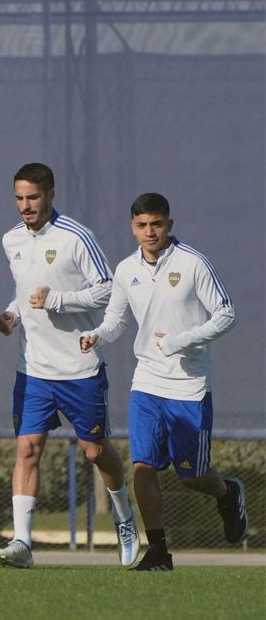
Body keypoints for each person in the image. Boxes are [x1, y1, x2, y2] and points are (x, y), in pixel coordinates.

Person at [80, 193, 246, 571]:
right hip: (148, 382)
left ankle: (227, 491)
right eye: (142, 225)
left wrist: (179, 341)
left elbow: (226, 315)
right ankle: (158, 551)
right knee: (142, 466)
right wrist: (97, 335)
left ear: (169, 225)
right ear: (132, 227)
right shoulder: (125, 270)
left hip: (189, 385)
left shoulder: (193, 264)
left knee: (192, 476)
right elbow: (117, 320)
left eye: (157, 224)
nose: (150, 231)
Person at [0, 162, 137, 569]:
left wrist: (58, 300)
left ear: (51, 195)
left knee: (94, 452)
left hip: (80, 367)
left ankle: (125, 517)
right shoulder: (11, 240)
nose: (25, 206)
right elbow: (23, 293)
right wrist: (12, 316)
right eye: (19, 198)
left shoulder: (77, 237)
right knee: (27, 449)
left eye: (33, 197)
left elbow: (107, 290)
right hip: (33, 369)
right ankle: (22, 543)